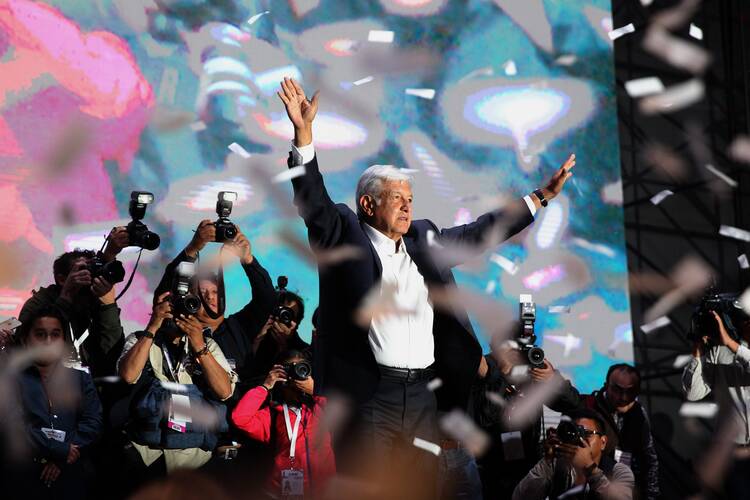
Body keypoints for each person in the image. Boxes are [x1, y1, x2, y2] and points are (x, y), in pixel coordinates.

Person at [276, 76, 576, 495]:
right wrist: (303, 136)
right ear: (368, 204)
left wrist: (540, 196)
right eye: (397, 198)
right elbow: (313, 204)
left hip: (421, 395)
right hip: (370, 395)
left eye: (410, 199)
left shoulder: (423, 237)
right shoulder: (345, 231)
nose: (407, 206)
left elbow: (479, 233)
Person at [116, 289, 237, 484]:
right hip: (149, 455)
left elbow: (224, 392)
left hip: (196, 459)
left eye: (186, 304)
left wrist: (199, 345)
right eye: (171, 304)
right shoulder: (141, 338)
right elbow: (128, 376)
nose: (177, 311)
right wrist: (153, 325)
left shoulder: (208, 345)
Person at [154, 220, 276, 397]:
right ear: (190, 299)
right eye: (203, 292)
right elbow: (164, 293)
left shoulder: (240, 326)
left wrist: (248, 260)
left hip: (232, 415)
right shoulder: (180, 329)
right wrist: (194, 248)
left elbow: (267, 299)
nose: (211, 297)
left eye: (215, 291)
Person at [9, 307, 103, 500]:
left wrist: (62, 458)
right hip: (23, 475)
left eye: (55, 334)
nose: (48, 341)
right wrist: (59, 450)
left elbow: (93, 422)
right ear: (26, 341)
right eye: (40, 334)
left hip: (70, 474)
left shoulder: (81, 379)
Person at [473, 347, 581, 499]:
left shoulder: (532, 370)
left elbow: (573, 404)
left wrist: (553, 380)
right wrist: (501, 376)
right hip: (491, 466)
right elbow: (483, 418)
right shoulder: (485, 368)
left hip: (527, 463)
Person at [19, 226, 129, 376]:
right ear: (62, 279)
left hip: (91, 385)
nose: (89, 277)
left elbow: (112, 352)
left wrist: (108, 305)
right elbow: (26, 347)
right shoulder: (40, 303)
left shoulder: (96, 301)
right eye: (82, 270)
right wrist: (66, 297)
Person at [232, 350, 336, 498]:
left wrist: (315, 390)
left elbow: (345, 413)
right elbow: (240, 418)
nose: (295, 373)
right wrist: (265, 386)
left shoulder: (319, 406)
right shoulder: (274, 413)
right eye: (289, 368)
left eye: (301, 368)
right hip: (281, 492)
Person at [553, 363, 658, 500]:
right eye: (617, 390)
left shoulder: (638, 414)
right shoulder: (588, 405)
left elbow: (649, 458)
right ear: (606, 385)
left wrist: (651, 496)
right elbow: (564, 398)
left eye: (630, 391)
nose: (624, 397)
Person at [683, 309, 750, 497]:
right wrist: (697, 353)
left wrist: (730, 343)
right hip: (732, 455)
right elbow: (693, 393)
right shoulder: (720, 351)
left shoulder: (730, 346)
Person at [513, 409, 635, 500]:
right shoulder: (557, 465)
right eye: (575, 433)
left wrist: (590, 468)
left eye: (586, 433)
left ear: (603, 442)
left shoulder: (619, 471)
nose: (580, 439)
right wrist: (547, 460)